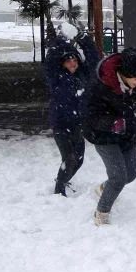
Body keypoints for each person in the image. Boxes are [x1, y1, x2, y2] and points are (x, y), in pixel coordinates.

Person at [84, 47, 136, 226]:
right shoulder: (99, 84)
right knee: (118, 177)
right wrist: (112, 123)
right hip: (104, 136)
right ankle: (101, 214)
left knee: (130, 174)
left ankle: (103, 189)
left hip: (129, 133)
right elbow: (89, 117)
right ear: (123, 74)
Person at [45, 27, 100, 196]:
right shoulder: (56, 77)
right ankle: (58, 191)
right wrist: (60, 40)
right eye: (68, 60)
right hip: (61, 124)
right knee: (69, 158)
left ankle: (63, 181)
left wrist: (81, 37)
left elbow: (93, 57)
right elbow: (51, 59)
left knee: (79, 159)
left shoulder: (83, 75)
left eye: (74, 59)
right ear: (62, 63)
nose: (72, 63)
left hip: (77, 124)